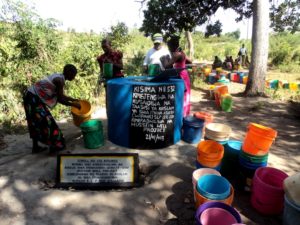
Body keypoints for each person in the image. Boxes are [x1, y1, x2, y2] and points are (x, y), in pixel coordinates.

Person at [23, 64, 81, 154]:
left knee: (35, 122)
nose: (74, 77)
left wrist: (73, 100)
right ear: (69, 73)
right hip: (33, 99)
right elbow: (60, 99)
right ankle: (55, 146)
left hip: (31, 96)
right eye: (74, 74)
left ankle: (36, 147)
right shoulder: (59, 81)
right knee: (48, 122)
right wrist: (74, 105)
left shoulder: (59, 77)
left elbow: (61, 96)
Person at [163, 35, 192, 117]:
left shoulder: (176, 55)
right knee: (185, 95)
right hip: (184, 75)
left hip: (181, 76)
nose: (169, 49)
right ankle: (184, 115)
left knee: (182, 96)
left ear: (173, 46)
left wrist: (165, 59)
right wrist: (182, 62)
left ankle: (182, 116)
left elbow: (167, 66)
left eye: (169, 47)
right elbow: (190, 61)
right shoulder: (181, 53)